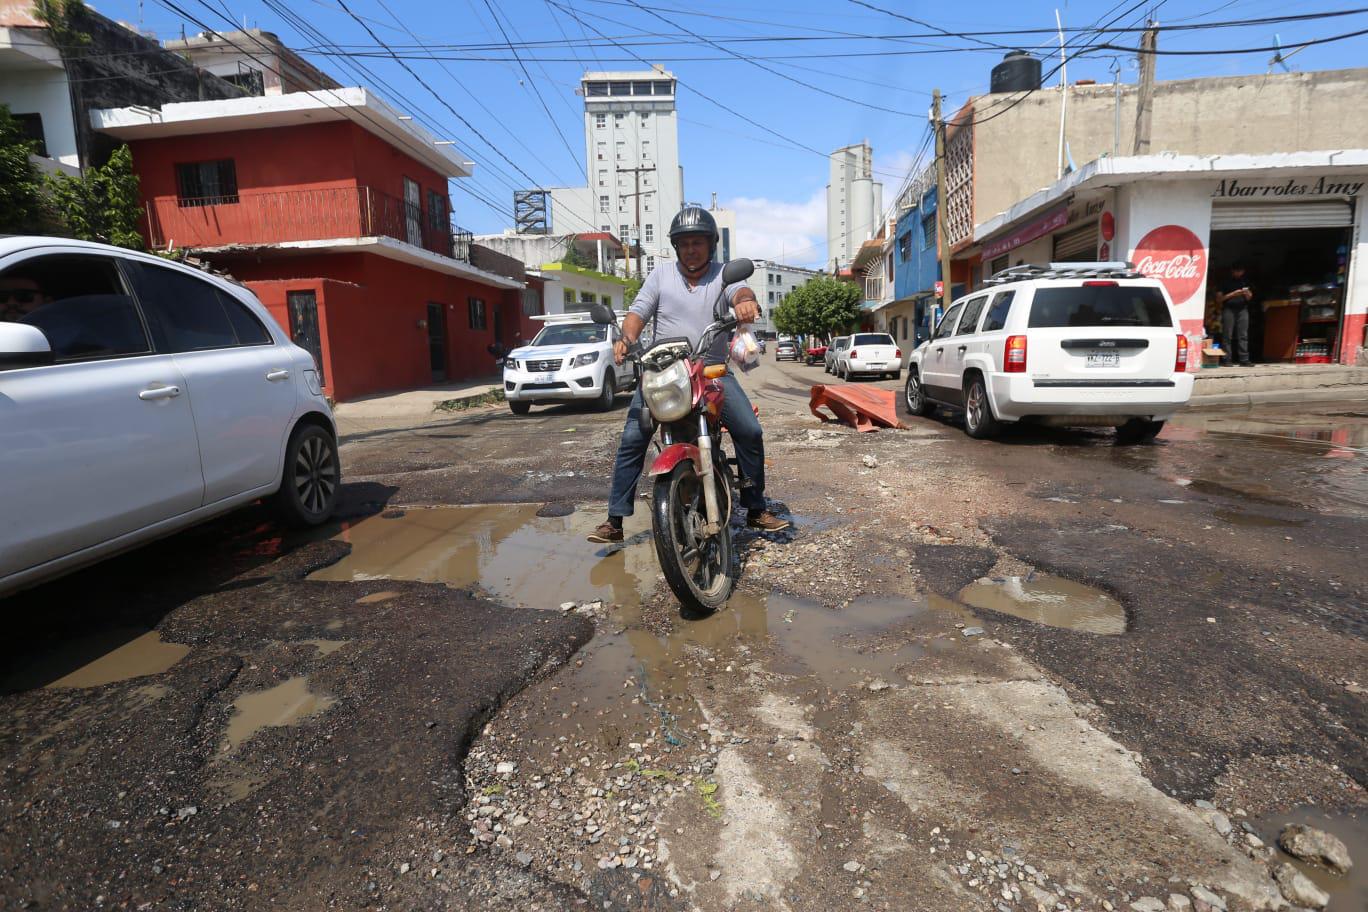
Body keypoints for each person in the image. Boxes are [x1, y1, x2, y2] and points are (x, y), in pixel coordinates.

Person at [587, 206, 791, 544]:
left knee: (750, 430)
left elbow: (740, 293)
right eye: (684, 243)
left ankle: (755, 508)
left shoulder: (723, 275)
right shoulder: (660, 276)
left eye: (698, 242)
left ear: (711, 245)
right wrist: (626, 338)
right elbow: (638, 312)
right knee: (633, 439)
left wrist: (746, 302)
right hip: (663, 371)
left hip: (712, 372)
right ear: (676, 247)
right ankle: (614, 520)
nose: (691, 249)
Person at [1216, 262, 1255, 366]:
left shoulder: (1245, 281)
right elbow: (1219, 299)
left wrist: (1247, 293)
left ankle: (1244, 359)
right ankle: (1227, 359)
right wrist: (1233, 294)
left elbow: (1250, 297)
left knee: (1243, 335)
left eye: (1241, 271)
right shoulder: (1225, 282)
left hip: (1243, 309)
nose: (1239, 273)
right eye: (1237, 271)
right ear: (1232, 271)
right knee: (1227, 335)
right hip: (1229, 309)